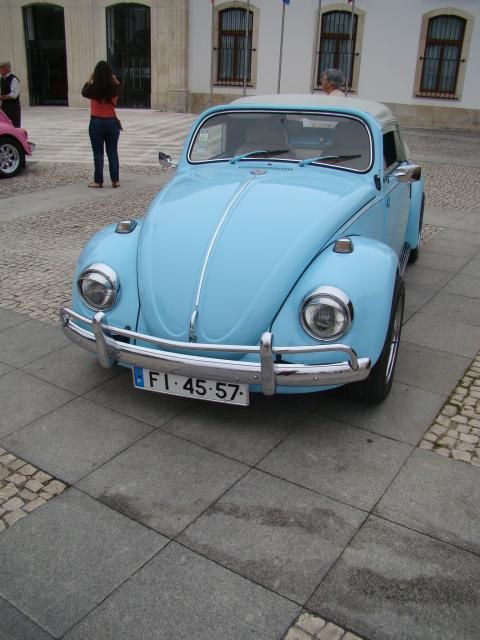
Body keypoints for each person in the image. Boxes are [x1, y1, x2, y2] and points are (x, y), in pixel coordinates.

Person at [82, 60, 121, 188]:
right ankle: (115, 180)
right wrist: (115, 81)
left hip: (96, 122)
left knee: (98, 152)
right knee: (112, 152)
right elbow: (116, 100)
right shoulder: (114, 87)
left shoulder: (93, 88)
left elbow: (83, 91)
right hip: (111, 122)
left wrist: (91, 78)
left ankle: (98, 180)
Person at [0, 61, 21, 127]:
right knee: (5, 125)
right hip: (4, 106)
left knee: (13, 125)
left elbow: (14, 95)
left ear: (7, 69)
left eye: (1, 68)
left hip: (13, 107)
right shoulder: (2, 79)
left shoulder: (13, 79)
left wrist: (1, 97)